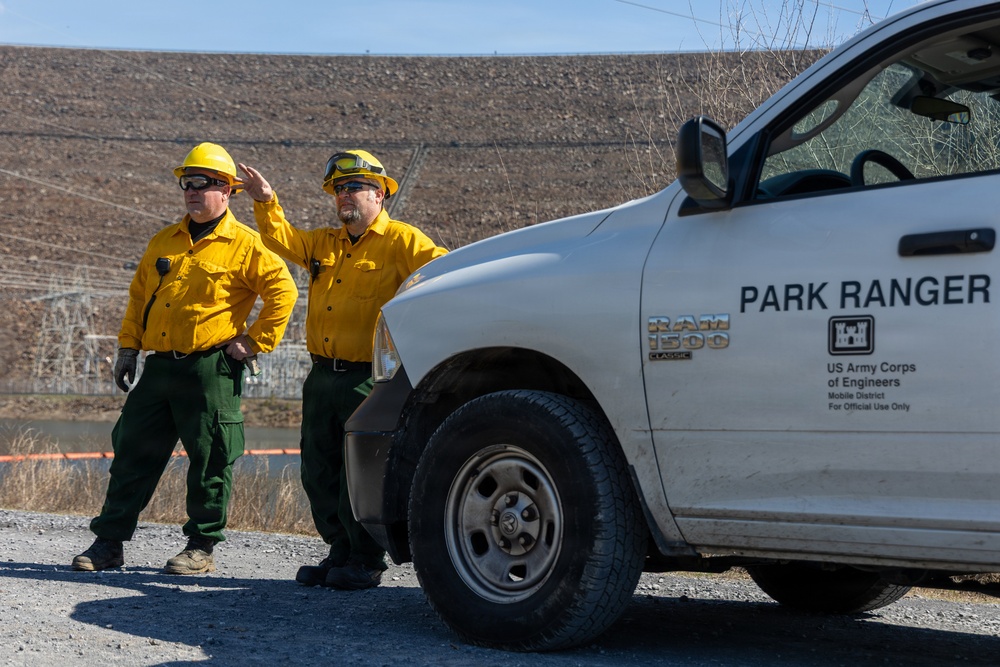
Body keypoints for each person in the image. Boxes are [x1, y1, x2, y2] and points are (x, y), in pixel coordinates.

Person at [72, 142, 298, 575]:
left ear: (228, 191)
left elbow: (283, 293)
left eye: (204, 184)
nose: (192, 191)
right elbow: (140, 297)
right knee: (132, 452)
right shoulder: (165, 240)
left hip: (209, 369)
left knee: (211, 457)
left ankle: (200, 547)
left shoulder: (246, 244)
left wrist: (254, 342)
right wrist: (128, 347)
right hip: (160, 368)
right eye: (187, 183)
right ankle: (109, 544)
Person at [239, 149, 446, 590]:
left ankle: (366, 558)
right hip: (322, 377)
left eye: (353, 187)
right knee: (320, 469)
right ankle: (339, 550)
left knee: (362, 470)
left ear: (380, 193)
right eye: (338, 190)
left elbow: (445, 276)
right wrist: (265, 199)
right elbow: (281, 239)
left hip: (367, 379)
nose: (343, 197)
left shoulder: (404, 242)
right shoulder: (324, 244)